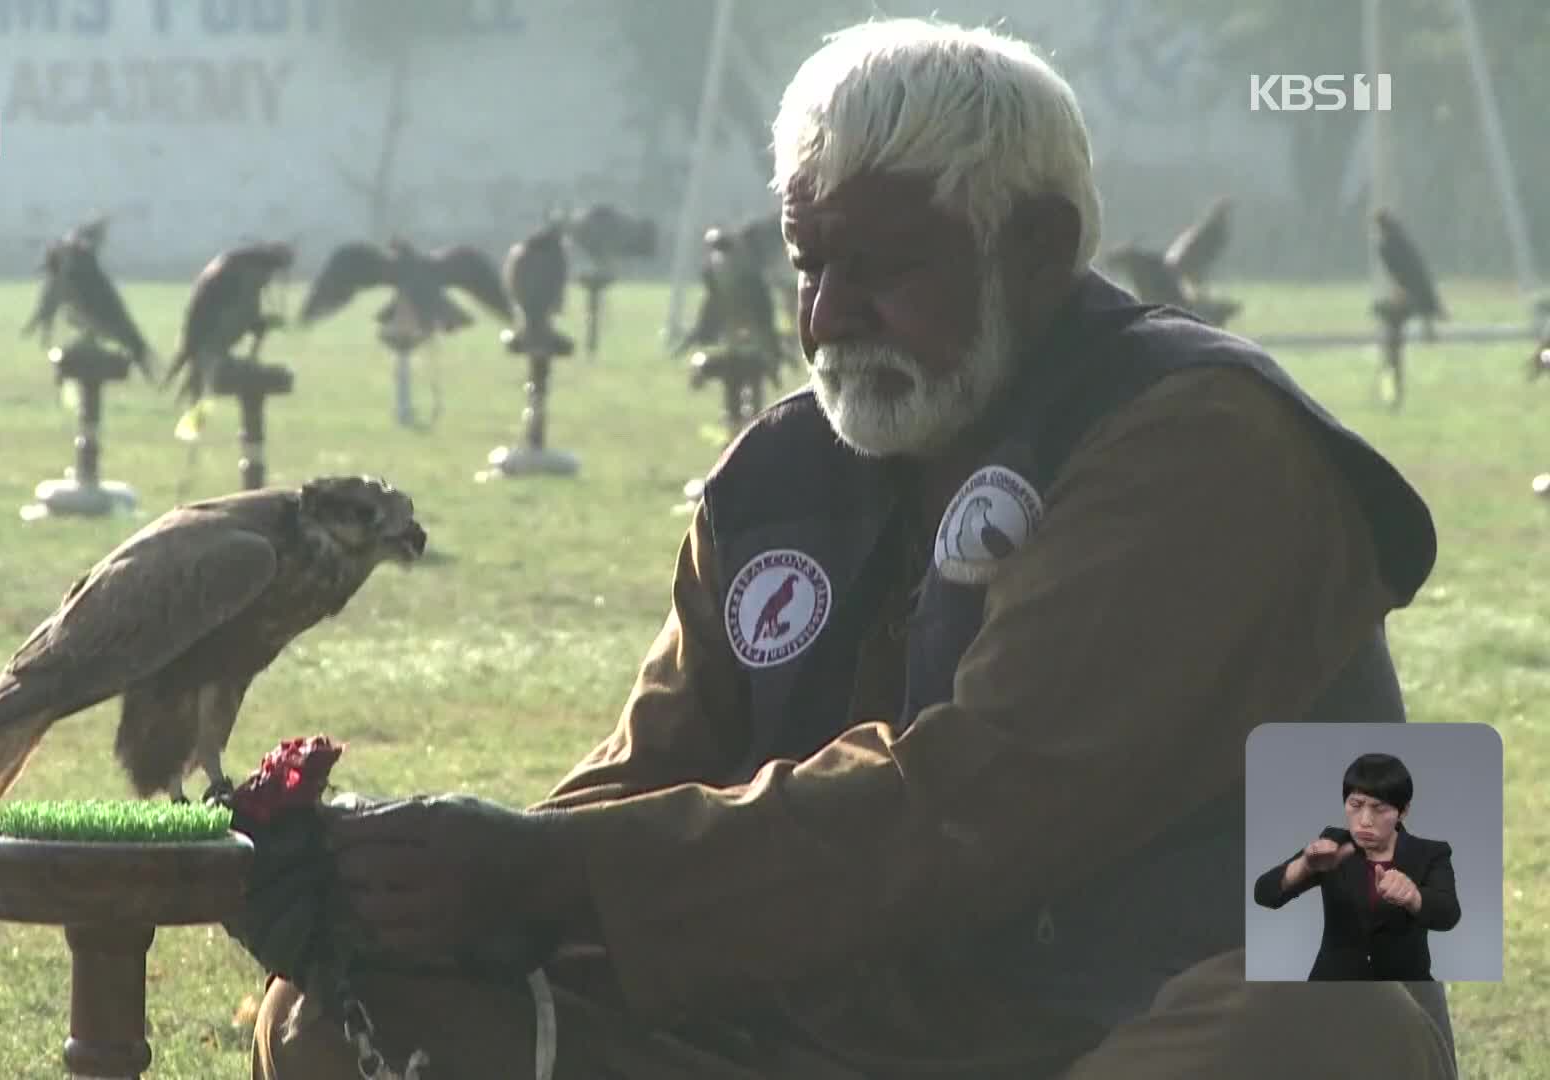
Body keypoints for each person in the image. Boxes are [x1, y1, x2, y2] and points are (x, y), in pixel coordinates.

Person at [251, 17, 1461, 1079]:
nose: (826, 318)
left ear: (1035, 249)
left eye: (880, 269)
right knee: (334, 1015)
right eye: (807, 265)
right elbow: (639, 788)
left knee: (1322, 1025)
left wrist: (544, 868)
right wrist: (408, 896)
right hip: (830, 1040)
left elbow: (985, 796)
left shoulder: (1213, 434)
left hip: (1144, 1024)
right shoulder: (781, 474)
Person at [1254, 753, 1461, 981]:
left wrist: (1413, 897)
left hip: (1407, 991)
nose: (1364, 820)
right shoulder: (1333, 844)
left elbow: (1449, 914)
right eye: (1355, 805)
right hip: (1333, 989)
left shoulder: (1430, 853)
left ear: (1403, 811)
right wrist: (1304, 866)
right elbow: (1264, 893)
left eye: (1379, 808)